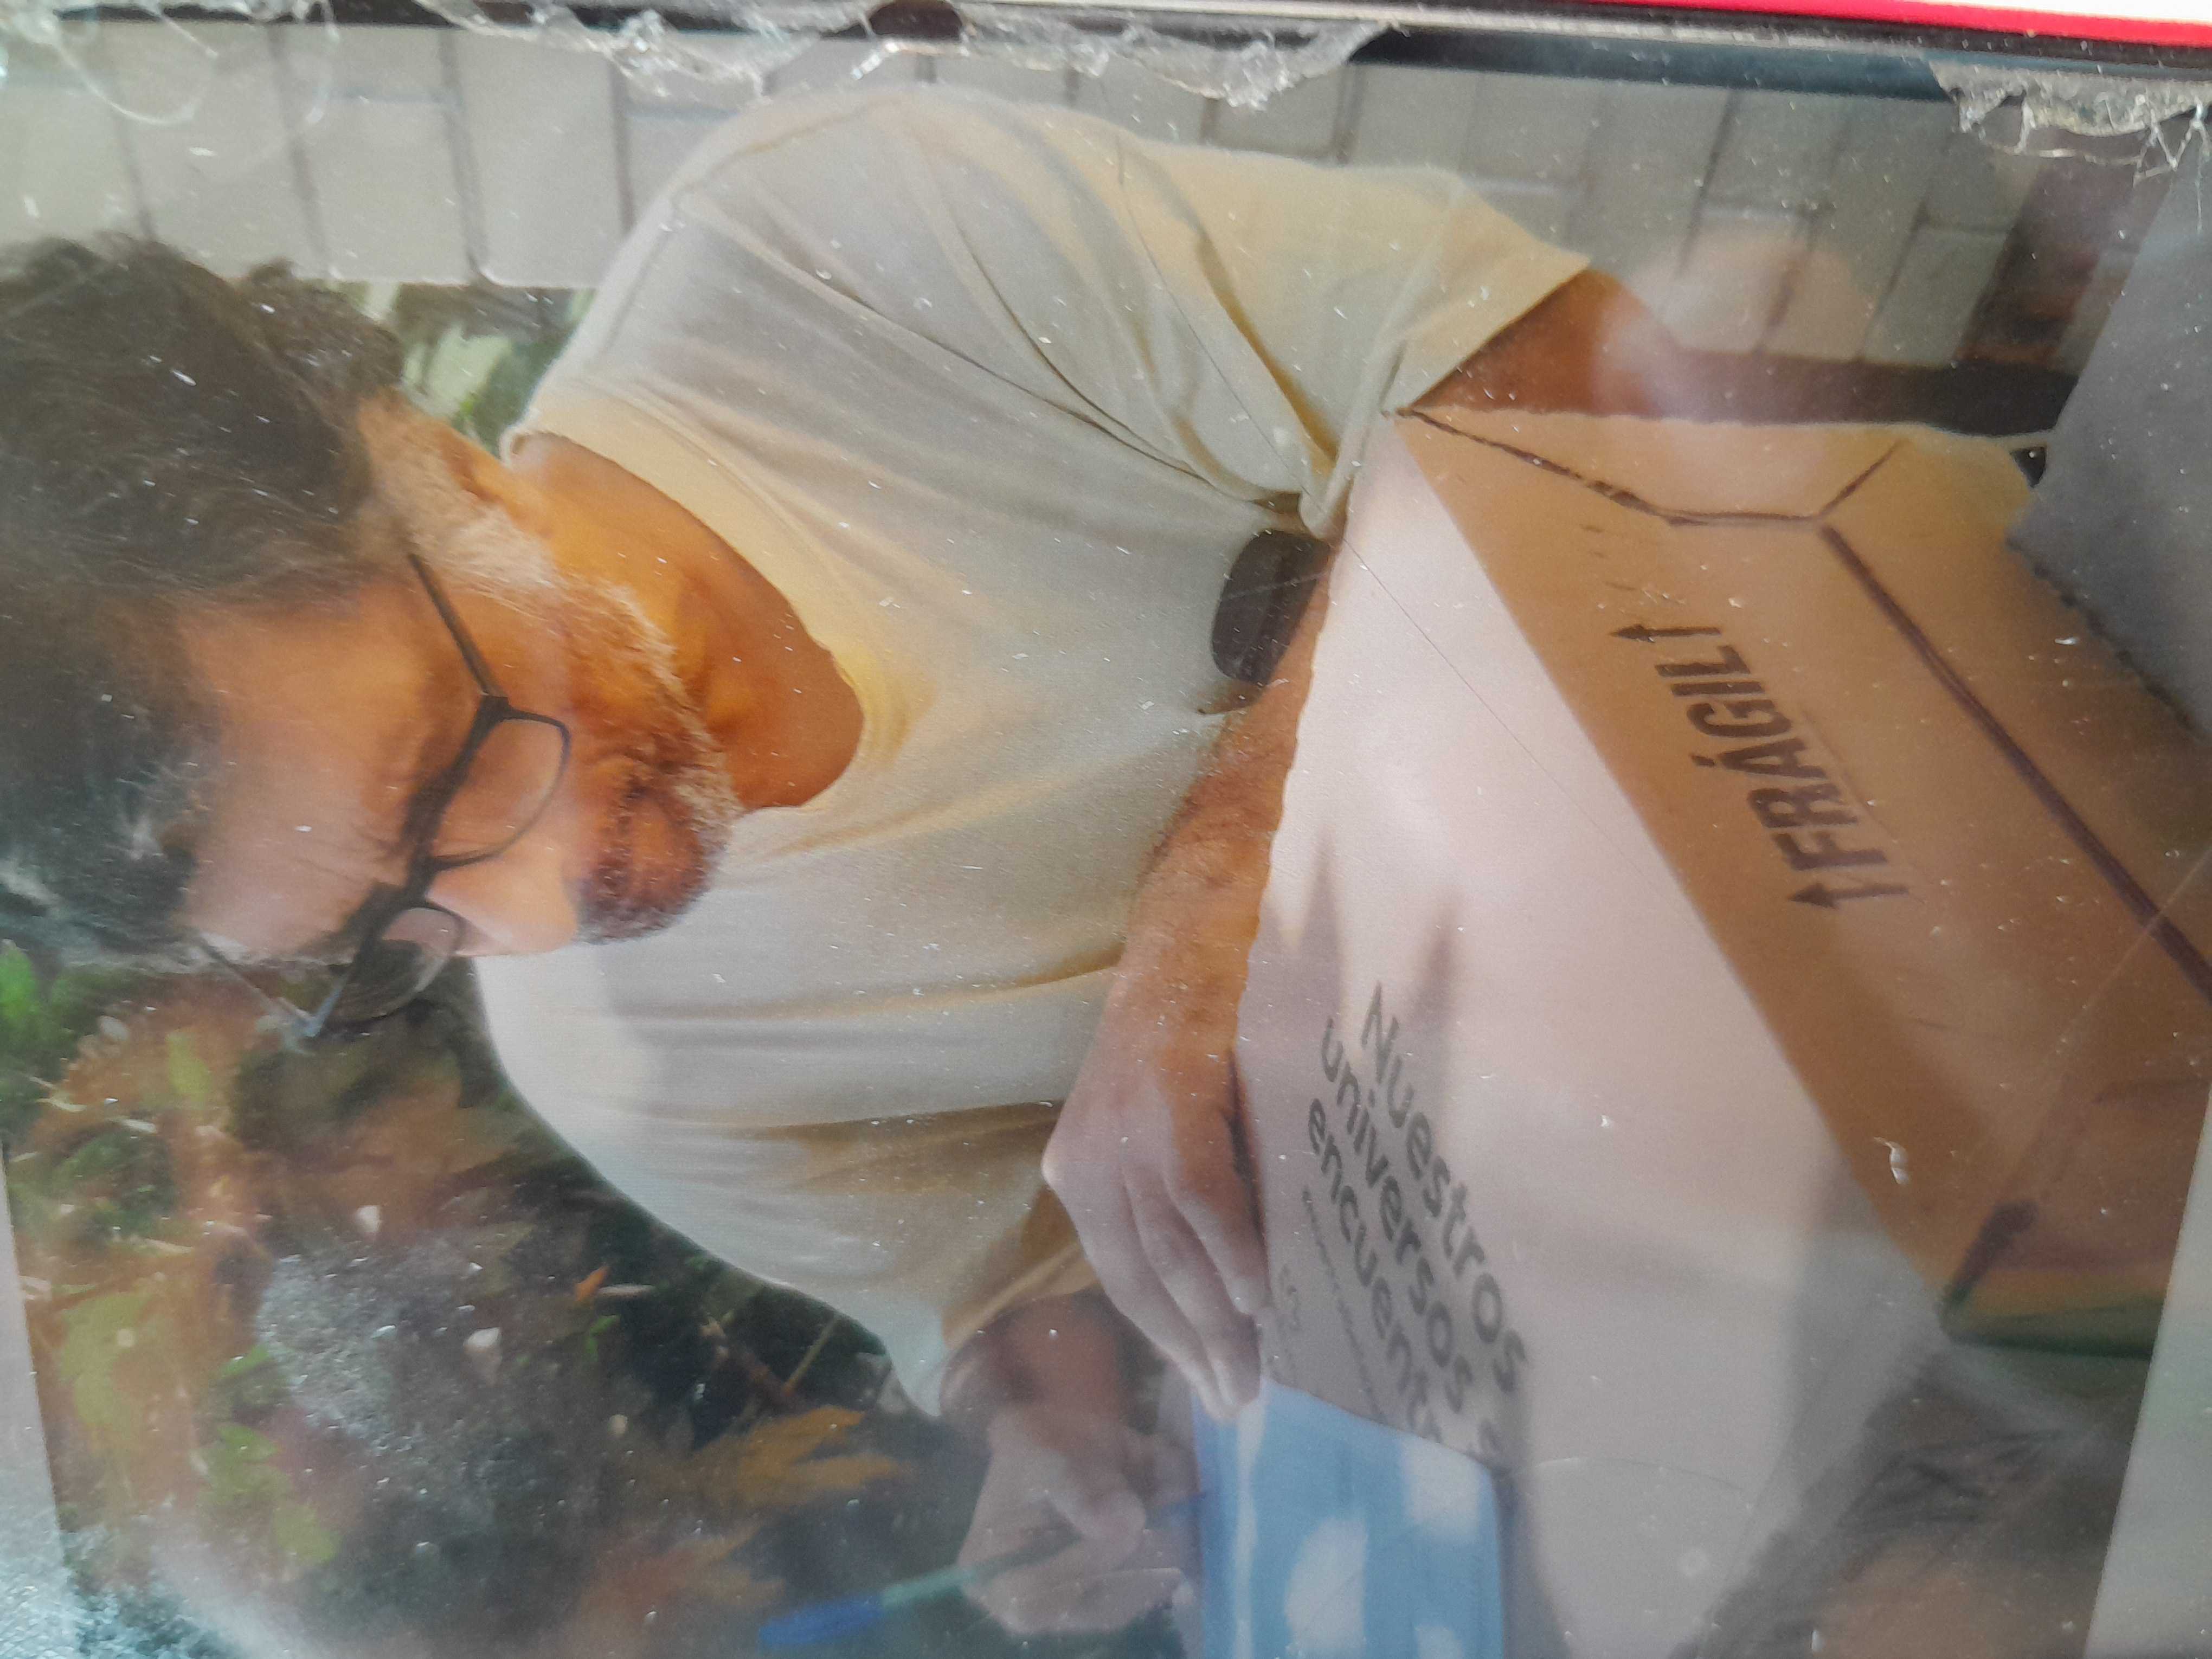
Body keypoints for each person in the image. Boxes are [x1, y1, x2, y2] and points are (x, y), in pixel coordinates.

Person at [0, 83, 1730, 1632]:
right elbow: (1004, 1286)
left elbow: (1578, 370)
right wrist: (1050, 1439)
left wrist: (1227, 881)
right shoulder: (621, 1072)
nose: (538, 907)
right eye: (397, 932)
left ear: (419, 459)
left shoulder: (820, 256)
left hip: (1748, 850)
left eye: (450, 765)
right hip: (1633, 1275)